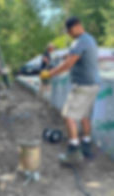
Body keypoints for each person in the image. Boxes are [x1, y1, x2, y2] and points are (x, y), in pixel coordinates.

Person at [40, 17, 100, 164]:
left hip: (82, 86)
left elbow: (68, 64)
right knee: (85, 116)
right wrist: (68, 54)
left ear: (78, 26)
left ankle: (73, 151)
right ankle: (86, 145)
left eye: (70, 31)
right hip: (93, 85)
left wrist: (50, 73)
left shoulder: (81, 41)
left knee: (68, 115)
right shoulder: (89, 39)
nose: (69, 34)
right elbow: (77, 56)